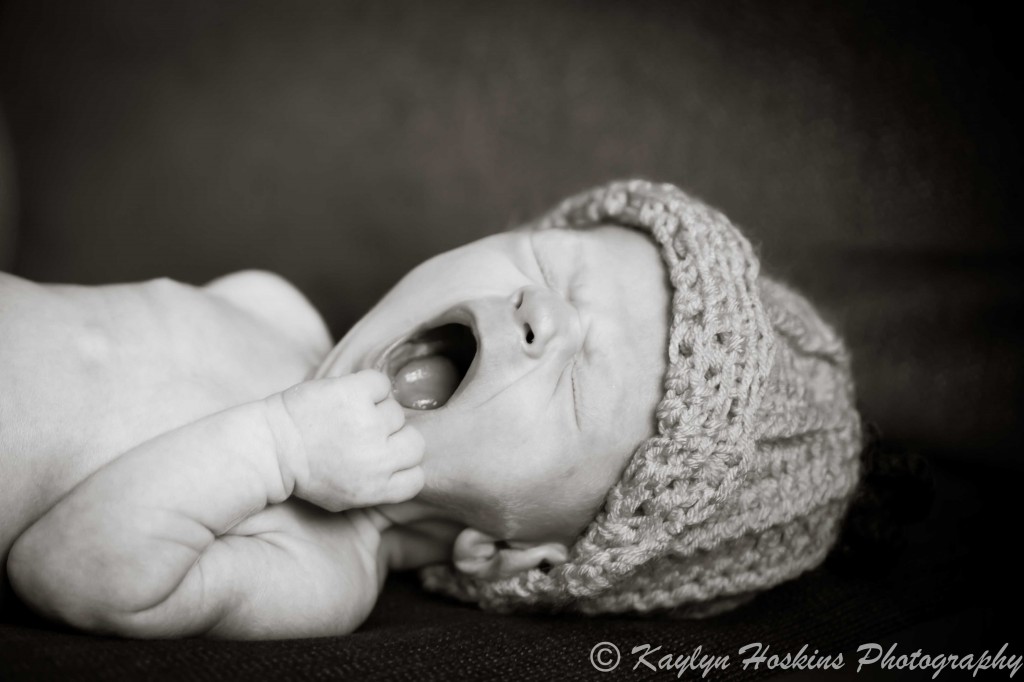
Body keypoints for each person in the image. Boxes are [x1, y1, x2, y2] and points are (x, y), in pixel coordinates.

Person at [2, 180, 864, 638]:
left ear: (512, 556)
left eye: (577, 384)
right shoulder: (268, 306)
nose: (540, 315)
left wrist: (277, 446)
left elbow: (70, 574)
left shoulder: (321, 568)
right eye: (553, 266)